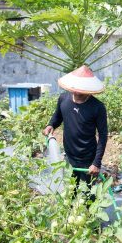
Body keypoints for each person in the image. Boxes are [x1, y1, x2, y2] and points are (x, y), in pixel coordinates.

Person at [42, 65, 108, 195]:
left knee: (88, 194)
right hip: (69, 155)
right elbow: (58, 116)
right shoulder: (63, 99)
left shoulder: (97, 107)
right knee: (70, 191)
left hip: (88, 157)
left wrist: (96, 163)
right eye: (75, 89)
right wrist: (51, 125)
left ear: (89, 89)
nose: (77, 93)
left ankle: (89, 207)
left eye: (81, 90)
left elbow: (103, 135)